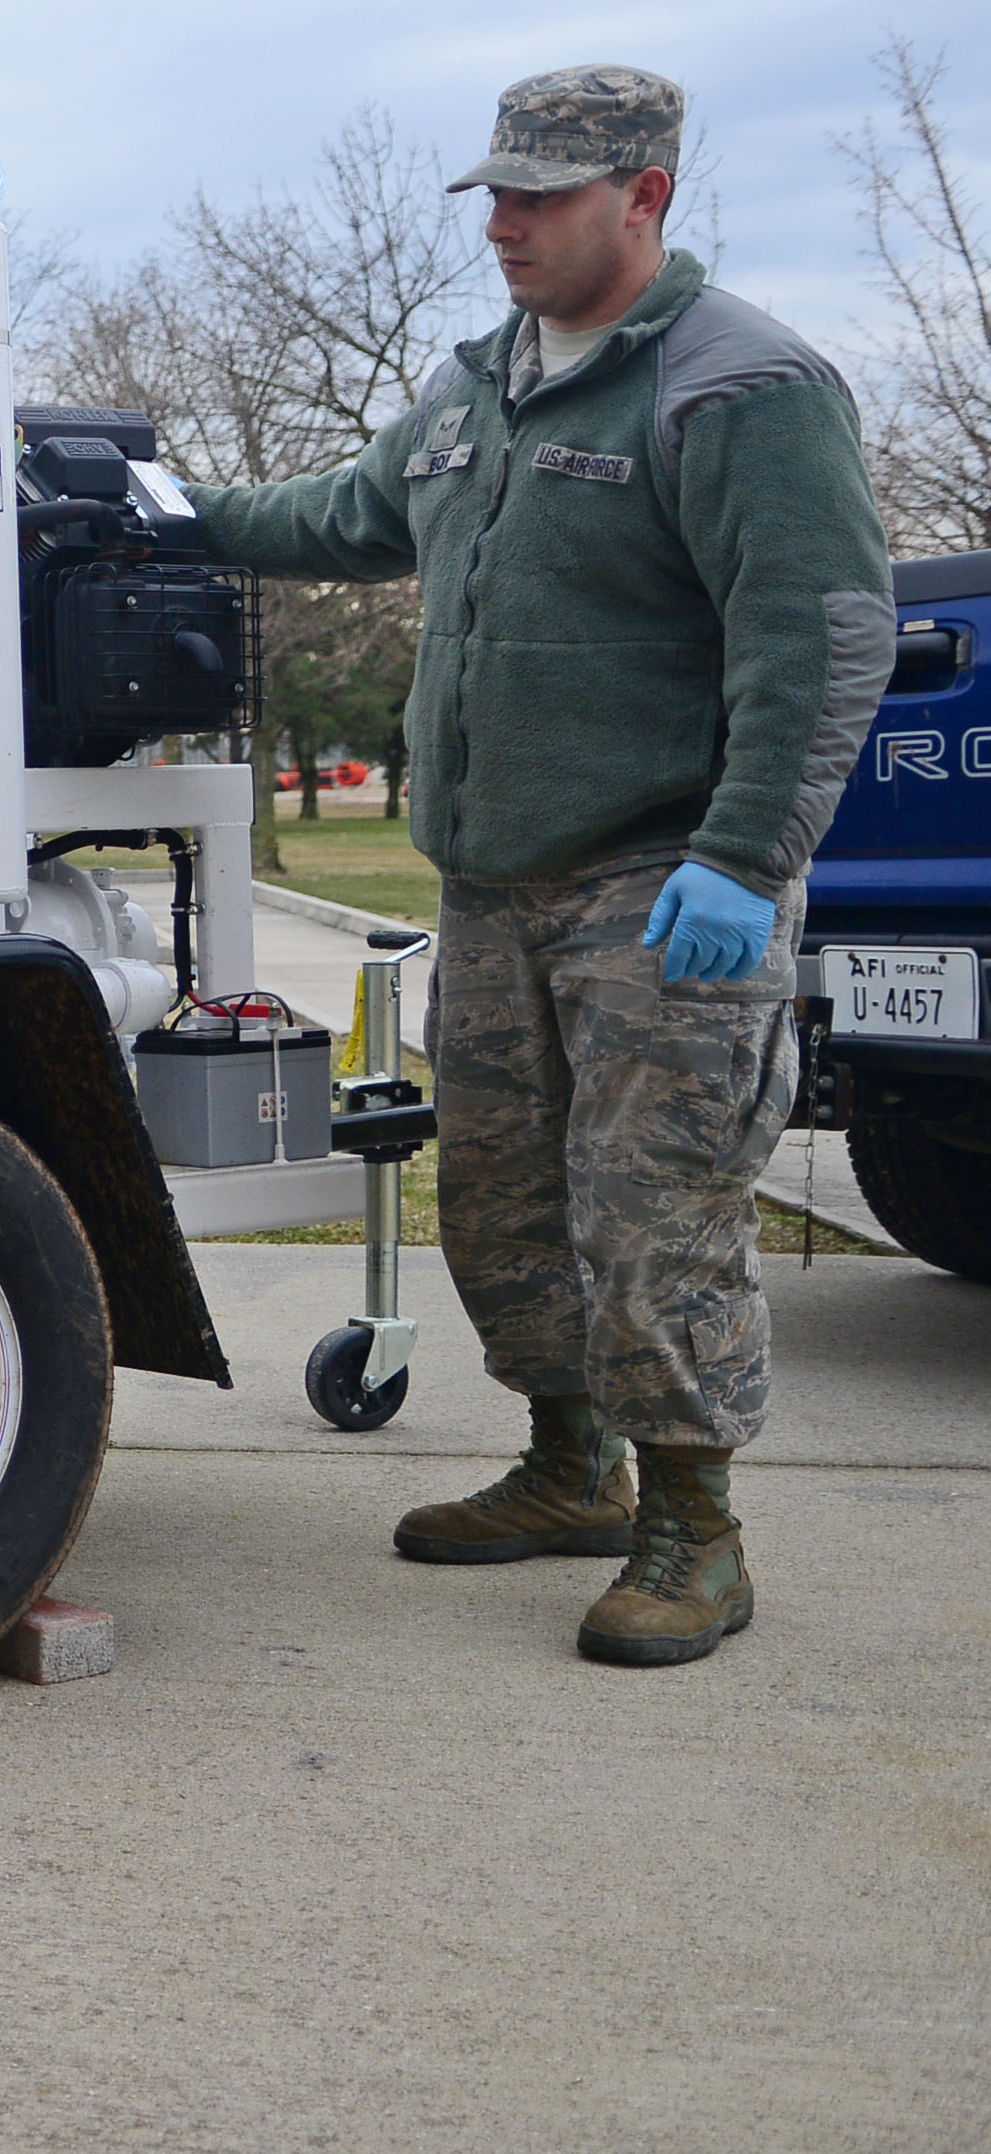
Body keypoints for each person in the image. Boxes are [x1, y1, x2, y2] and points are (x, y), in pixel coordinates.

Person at [187, 67, 893, 1666]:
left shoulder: (739, 388)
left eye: (540, 196)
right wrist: (170, 512)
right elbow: (341, 514)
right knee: (499, 1200)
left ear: (643, 196)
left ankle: (691, 1527)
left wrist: (743, 854)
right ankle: (569, 1465)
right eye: (492, 193)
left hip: (665, 883)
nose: (500, 224)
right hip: (493, 884)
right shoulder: (471, 389)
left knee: (653, 1213)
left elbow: (821, 639)